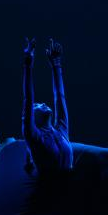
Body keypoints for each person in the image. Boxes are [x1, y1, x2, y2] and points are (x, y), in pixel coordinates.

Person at [22, 37, 74, 177]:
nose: (43, 103)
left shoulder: (61, 130)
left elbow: (60, 97)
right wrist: (28, 62)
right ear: (31, 116)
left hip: (72, 189)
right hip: (48, 190)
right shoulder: (33, 136)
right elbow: (28, 98)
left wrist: (56, 64)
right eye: (37, 105)